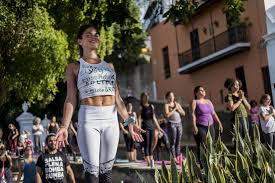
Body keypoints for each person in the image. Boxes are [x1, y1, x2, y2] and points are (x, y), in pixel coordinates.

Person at [55, 24, 144, 183]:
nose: (93, 36)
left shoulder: (109, 67)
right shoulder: (74, 67)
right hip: (89, 119)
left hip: (111, 121)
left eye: (96, 34)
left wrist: (130, 122)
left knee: (106, 173)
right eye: (88, 34)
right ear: (80, 41)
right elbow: (71, 98)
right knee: (92, 173)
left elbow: (118, 100)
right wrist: (64, 126)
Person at [191, 86, 223, 167]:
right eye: (200, 90)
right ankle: (202, 166)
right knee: (202, 145)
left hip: (210, 125)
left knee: (211, 145)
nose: (203, 91)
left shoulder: (208, 101)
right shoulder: (195, 102)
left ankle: (211, 164)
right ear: (196, 93)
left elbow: (213, 113)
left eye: (203, 90)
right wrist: (194, 125)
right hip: (200, 126)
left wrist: (219, 123)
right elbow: (193, 114)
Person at [139, 92, 164, 168]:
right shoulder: (141, 107)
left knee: (151, 144)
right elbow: (139, 118)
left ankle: (151, 159)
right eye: (145, 96)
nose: (146, 97)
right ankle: (148, 161)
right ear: (142, 98)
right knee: (146, 144)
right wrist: (139, 127)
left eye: (147, 96)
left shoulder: (151, 106)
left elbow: (154, 118)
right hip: (145, 126)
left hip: (151, 126)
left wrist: (159, 128)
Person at [163, 91, 185, 164]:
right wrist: (174, 109)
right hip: (171, 124)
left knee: (178, 142)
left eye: (173, 95)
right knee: (173, 142)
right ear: (167, 97)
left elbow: (183, 113)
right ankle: (174, 158)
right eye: (170, 96)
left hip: (179, 124)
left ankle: (178, 157)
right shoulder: (166, 105)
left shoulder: (177, 104)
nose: (172, 97)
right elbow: (167, 115)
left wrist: (178, 108)